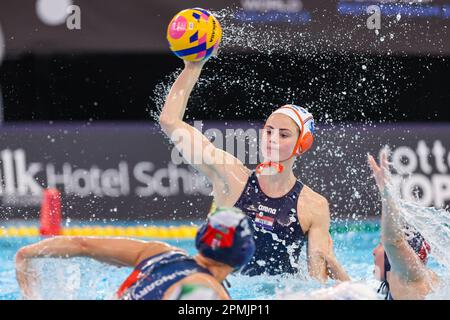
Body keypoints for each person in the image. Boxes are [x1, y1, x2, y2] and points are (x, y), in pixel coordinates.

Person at [159, 56, 345, 281]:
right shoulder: (231, 176)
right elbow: (170, 121)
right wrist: (192, 67)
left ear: (302, 143)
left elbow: (317, 286)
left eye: (283, 134)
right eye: (268, 131)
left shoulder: (314, 206)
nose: (272, 139)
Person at [15, 207, 255, 300]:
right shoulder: (204, 288)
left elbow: (82, 245)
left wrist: (26, 254)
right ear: (243, 252)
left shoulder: (160, 252)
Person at [323, 150, 440, 300]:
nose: (373, 251)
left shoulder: (408, 278)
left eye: (380, 244)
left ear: (399, 255)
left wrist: (386, 193)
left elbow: (393, 241)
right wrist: (332, 260)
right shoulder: (417, 280)